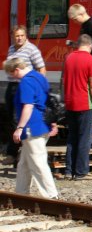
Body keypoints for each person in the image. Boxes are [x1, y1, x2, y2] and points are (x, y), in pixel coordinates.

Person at [2, 58, 58, 198]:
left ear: (16, 70)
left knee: (38, 162)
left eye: (12, 74)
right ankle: (21, 194)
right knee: (24, 163)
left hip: (32, 127)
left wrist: (20, 127)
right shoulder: (39, 77)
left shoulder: (26, 82)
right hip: (43, 124)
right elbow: (49, 101)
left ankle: (51, 195)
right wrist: (53, 122)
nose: (13, 77)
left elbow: (28, 106)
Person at [2, 25, 47, 165]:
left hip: (24, 86)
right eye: (17, 36)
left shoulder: (32, 49)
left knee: (19, 119)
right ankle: (14, 152)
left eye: (22, 35)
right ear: (12, 37)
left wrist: (39, 87)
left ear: (26, 36)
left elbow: (41, 68)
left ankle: (15, 153)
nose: (19, 38)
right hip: (12, 86)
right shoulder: (11, 49)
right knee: (11, 119)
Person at [62, 34, 92, 181]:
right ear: (90, 46)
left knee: (72, 137)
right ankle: (81, 172)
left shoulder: (68, 58)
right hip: (85, 104)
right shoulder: (91, 60)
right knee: (85, 139)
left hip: (70, 103)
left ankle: (69, 171)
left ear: (78, 44)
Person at [67, 4, 92, 74]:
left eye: (75, 19)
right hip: (88, 58)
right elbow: (86, 43)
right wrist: (75, 44)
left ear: (81, 14)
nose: (75, 22)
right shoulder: (84, 25)